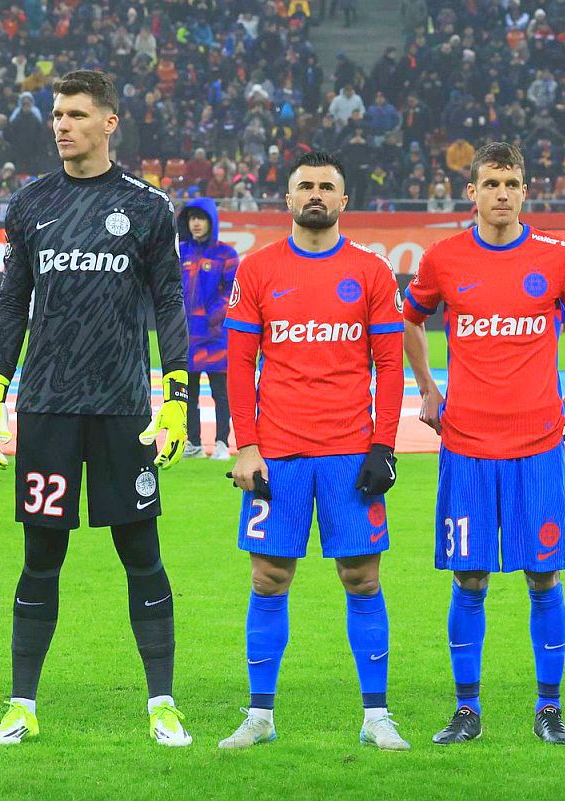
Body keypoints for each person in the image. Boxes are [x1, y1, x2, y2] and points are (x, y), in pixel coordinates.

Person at [0, 70, 193, 747]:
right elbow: (12, 303)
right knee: (41, 554)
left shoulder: (147, 206)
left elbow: (169, 301)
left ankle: (162, 704)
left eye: (75, 114)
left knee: (142, 551)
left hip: (122, 407)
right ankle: (21, 705)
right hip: (47, 406)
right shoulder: (30, 203)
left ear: (109, 122)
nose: (61, 125)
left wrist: (178, 394)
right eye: (57, 114)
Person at [403, 142, 565, 745]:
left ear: (525, 191)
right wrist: (427, 386)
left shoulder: (558, 259)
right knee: (469, 578)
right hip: (465, 444)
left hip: (537, 444)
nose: (502, 194)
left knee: (543, 577)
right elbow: (410, 318)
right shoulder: (443, 259)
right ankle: (467, 710)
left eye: (511, 184)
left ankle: (549, 708)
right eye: (491, 183)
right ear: (472, 192)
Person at [219, 151, 408, 751]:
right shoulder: (257, 269)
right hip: (278, 454)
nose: (316, 194)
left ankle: (376, 716)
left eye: (327, 186)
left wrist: (384, 446)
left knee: (362, 578)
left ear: (344, 200)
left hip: (350, 452)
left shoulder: (372, 272)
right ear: (289, 198)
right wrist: (247, 447)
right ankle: (259, 716)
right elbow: (239, 364)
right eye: (306, 186)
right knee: (268, 578)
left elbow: (390, 365)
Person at [177, 196, 239, 460]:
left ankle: (222, 442)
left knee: (220, 393)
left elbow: (233, 291)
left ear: (211, 221)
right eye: (192, 218)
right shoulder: (180, 251)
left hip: (216, 336)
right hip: (186, 335)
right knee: (188, 393)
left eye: (201, 218)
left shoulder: (226, 254)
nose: (196, 223)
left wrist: (212, 316)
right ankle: (192, 442)